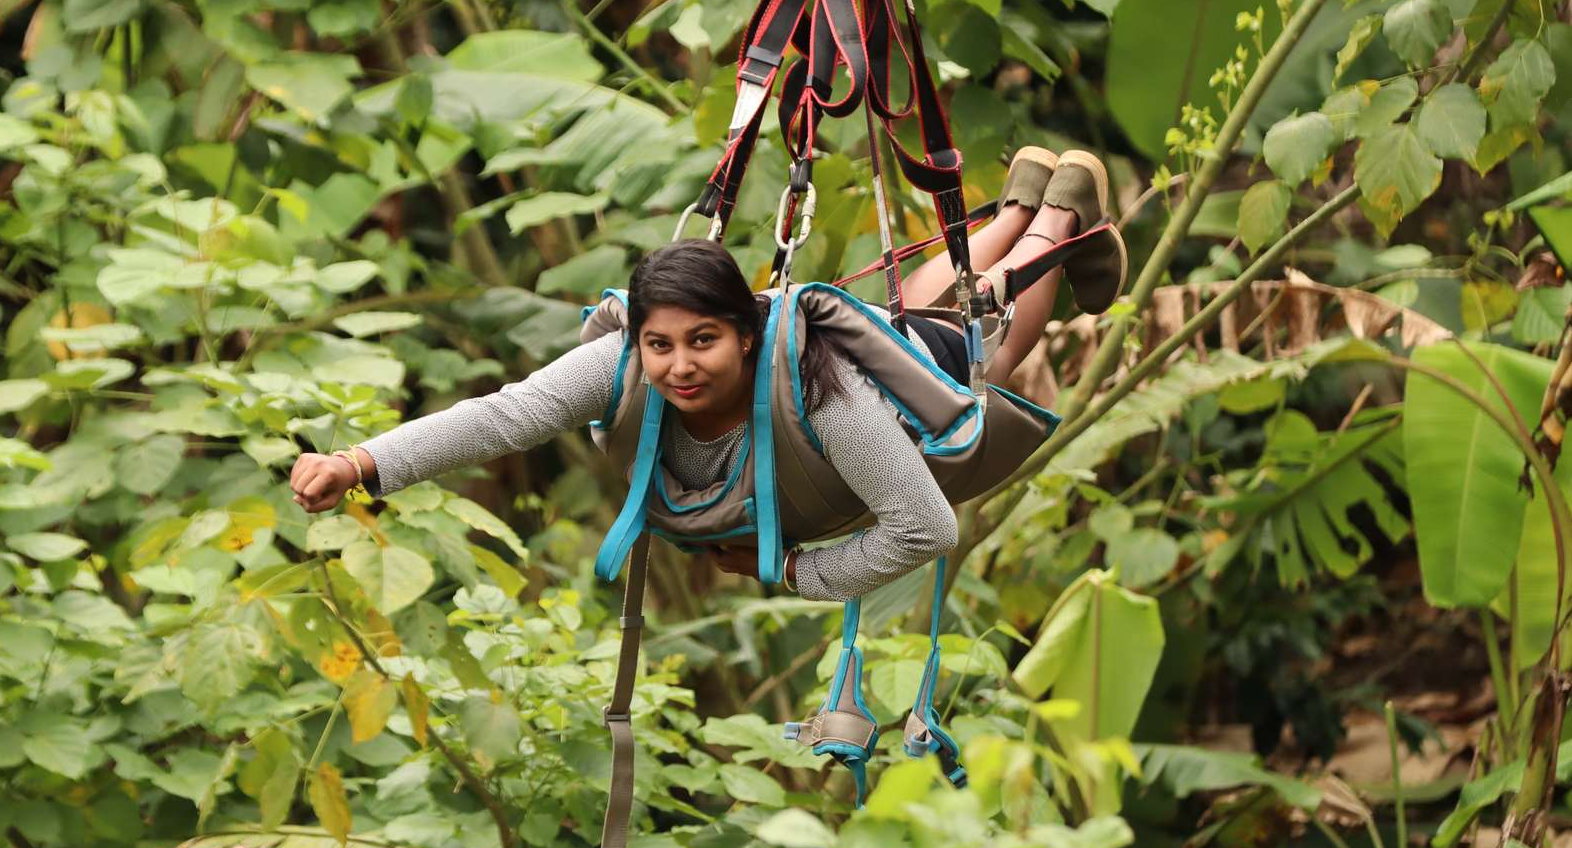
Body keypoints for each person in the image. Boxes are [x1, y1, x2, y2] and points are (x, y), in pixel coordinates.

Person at [288, 147, 1124, 601]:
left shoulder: (822, 398)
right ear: (638, 340)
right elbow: (506, 416)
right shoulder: (625, 369)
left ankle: (1055, 218)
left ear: (750, 333)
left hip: (902, 383)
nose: (680, 367)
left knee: (972, 333)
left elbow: (927, 528)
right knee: (914, 311)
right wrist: (360, 464)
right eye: (662, 345)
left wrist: (800, 574)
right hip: (865, 346)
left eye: (704, 342)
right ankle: (1015, 205)